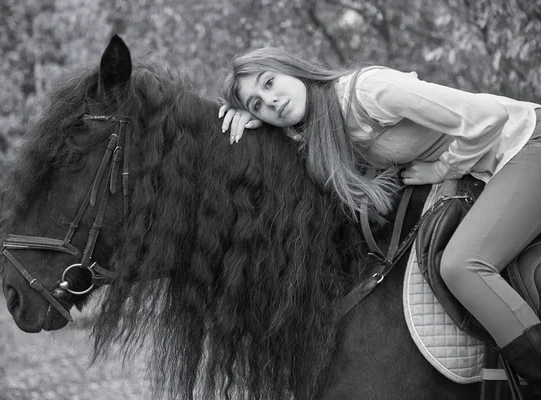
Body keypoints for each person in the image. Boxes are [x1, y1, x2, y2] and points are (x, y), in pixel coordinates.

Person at [218, 47, 541, 388]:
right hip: (489, 167)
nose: (269, 101)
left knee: (462, 266)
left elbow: (486, 117)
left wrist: (442, 168)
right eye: (256, 104)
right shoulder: (325, 129)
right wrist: (260, 131)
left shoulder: (367, 92)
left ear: (293, 70)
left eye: (269, 83)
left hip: (524, 141)